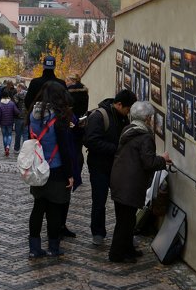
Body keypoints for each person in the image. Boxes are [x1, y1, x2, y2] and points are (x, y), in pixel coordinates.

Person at [109, 101, 172, 263]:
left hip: (120, 179)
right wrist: (163, 159)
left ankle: (128, 249)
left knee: (126, 219)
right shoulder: (144, 137)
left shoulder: (129, 129)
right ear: (147, 118)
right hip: (129, 184)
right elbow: (149, 162)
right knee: (125, 221)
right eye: (151, 117)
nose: (152, 120)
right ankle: (117, 254)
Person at [83, 89, 137, 246]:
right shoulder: (99, 116)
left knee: (122, 202)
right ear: (119, 104)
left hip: (118, 167)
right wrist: (116, 149)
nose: (128, 113)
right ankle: (98, 232)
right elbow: (90, 141)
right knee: (99, 200)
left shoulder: (123, 118)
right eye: (127, 109)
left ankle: (124, 234)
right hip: (99, 166)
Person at [26, 82, 74, 259]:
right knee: (54, 209)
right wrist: (70, 174)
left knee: (38, 207)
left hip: (38, 168)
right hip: (56, 169)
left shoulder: (33, 114)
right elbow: (64, 148)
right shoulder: (59, 118)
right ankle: (54, 247)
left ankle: (34, 248)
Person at [0, 90, 19, 157]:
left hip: (2, 123)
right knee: (9, 135)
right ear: (8, 96)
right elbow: (16, 112)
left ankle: (5, 148)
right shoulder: (11, 103)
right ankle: (8, 146)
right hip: (10, 122)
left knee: (4, 136)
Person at [13, 82, 28, 154]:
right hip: (26, 117)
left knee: (18, 134)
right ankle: (25, 149)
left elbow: (14, 105)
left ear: (20, 88)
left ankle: (16, 149)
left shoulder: (16, 95)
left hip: (18, 117)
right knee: (25, 134)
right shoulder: (28, 95)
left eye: (17, 87)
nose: (16, 89)